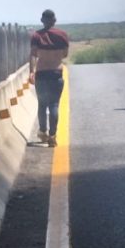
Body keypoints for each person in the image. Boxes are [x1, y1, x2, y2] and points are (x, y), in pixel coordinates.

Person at [29, 9, 69, 147]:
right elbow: (65, 54)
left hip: (41, 74)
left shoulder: (36, 36)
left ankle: (42, 132)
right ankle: (52, 136)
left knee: (42, 104)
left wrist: (31, 72)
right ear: (55, 20)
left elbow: (33, 55)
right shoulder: (62, 35)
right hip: (56, 74)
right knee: (54, 105)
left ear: (42, 20)